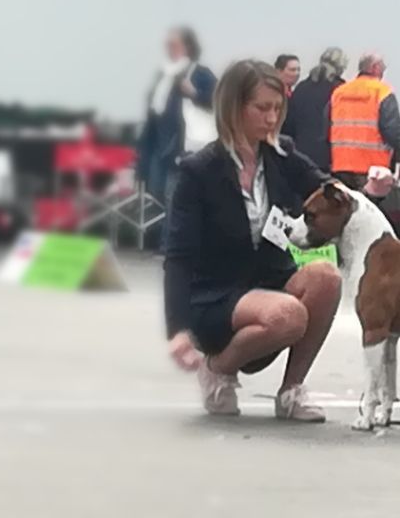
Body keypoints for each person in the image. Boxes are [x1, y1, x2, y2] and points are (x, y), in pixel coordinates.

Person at [164, 59, 342, 421]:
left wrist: (363, 195)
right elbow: (178, 257)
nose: (272, 118)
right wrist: (177, 329)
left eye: (277, 108)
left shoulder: (282, 154)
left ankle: (292, 391)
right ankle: (218, 370)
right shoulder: (198, 171)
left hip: (270, 282)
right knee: (289, 314)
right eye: (262, 108)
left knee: (327, 277)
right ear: (234, 107)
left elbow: (325, 186)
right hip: (216, 295)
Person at [136, 26, 217, 252]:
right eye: (168, 45)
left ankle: (169, 245)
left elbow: (218, 100)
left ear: (187, 47)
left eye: (174, 45)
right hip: (159, 147)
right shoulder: (163, 74)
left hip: (183, 147)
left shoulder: (199, 73)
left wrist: (195, 93)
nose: (169, 49)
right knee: (159, 194)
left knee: (174, 196)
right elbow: (153, 114)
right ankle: (165, 241)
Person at [327, 52, 400, 191]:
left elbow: (326, 126)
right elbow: (391, 129)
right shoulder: (382, 92)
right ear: (375, 67)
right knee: (370, 204)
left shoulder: (339, 92)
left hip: (341, 165)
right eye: (383, 68)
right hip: (373, 167)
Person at [283, 47, 348, 171]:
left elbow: (288, 124)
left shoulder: (301, 87)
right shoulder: (340, 90)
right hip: (328, 158)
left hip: (299, 154)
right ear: (340, 68)